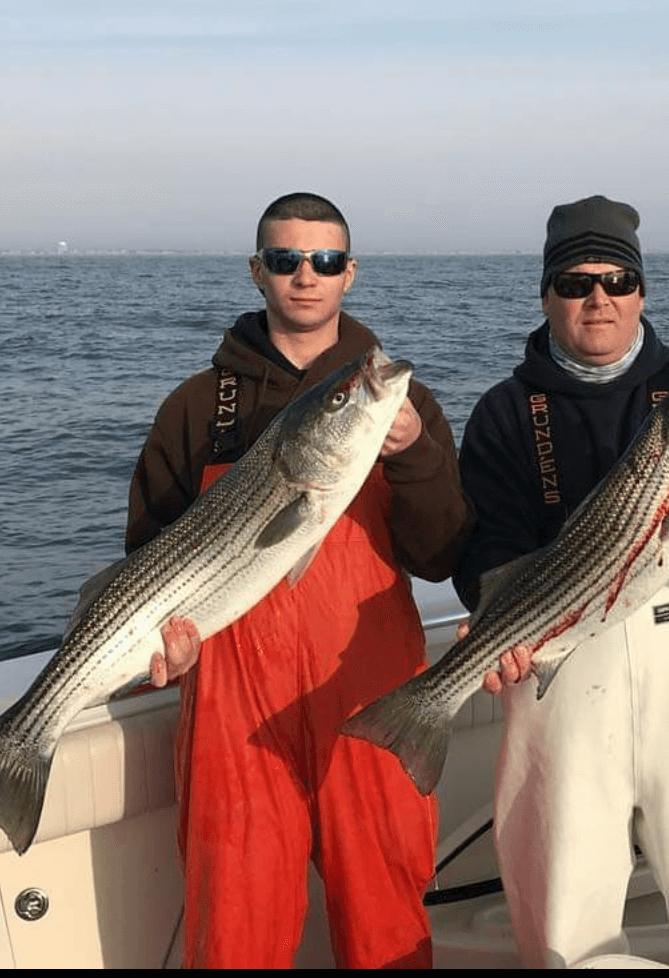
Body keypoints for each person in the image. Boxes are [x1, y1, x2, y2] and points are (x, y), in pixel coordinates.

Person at [126, 191, 472, 968]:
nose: (304, 276)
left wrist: (412, 452)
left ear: (350, 272)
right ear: (258, 271)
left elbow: (444, 552)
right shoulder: (195, 408)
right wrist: (166, 650)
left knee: (389, 921)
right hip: (230, 706)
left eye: (323, 261)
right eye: (285, 260)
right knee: (235, 929)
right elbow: (144, 558)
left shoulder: (404, 405)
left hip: (368, 692)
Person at [454, 195, 669, 968]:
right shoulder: (506, 412)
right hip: (559, 679)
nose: (597, 297)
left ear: (642, 290)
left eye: (616, 278)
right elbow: (487, 549)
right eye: (575, 282)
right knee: (567, 925)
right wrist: (496, 621)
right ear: (546, 295)